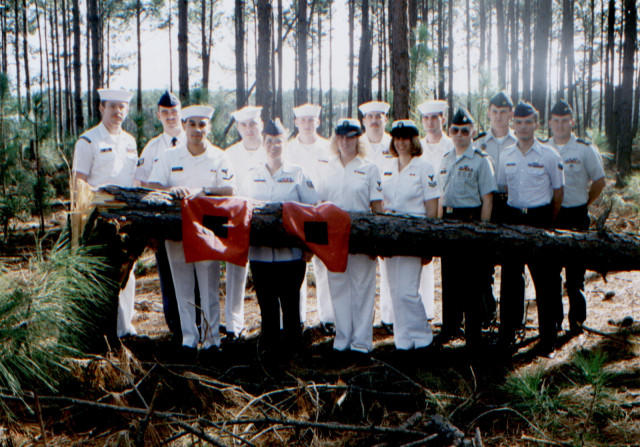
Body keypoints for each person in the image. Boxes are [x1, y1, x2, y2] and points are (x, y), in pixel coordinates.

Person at [148, 105, 235, 356]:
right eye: (192, 124)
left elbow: (230, 189)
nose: (197, 130)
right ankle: (188, 338)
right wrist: (170, 191)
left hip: (209, 228)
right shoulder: (169, 156)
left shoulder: (220, 156)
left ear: (209, 127)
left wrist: (205, 190)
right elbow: (154, 184)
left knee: (208, 286)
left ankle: (211, 341)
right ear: (184, 126)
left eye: (202, 124)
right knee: (182, 285)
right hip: (177, 228)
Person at [496, 102, 564, 356]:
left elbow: (558, 193)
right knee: (511, 281)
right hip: (514, 218)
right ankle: (507, 337)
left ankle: (548, 340)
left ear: (537, 123)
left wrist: (548, 221)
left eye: (529, 122)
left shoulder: (549, 155)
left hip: (540, 219)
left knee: (545, 282)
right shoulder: (506, 154)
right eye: (519, 122)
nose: (523, 127)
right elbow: (503, 189)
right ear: (514, 124)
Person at [247, 118, 319, 360]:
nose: (273, 146)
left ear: (285, 142)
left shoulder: (298, 173)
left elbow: (312, 210)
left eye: (278, 141)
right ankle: (269, 349)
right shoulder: (253, 174)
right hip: (260, 254)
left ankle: (293, 350)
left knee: (290, 302)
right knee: (266, 303)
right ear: (262, 143)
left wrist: (309, 247)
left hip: (291, 253)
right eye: (269, 141)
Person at [71, 88, 138, 338]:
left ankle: (126, 327)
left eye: (122, 107)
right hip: (99, 217)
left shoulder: (130, 142)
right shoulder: (88, 141)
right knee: (103, 273)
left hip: (126, 216)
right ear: (101, 108)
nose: (117, 112)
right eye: (112, 106)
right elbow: (79, 184)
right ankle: (103, 332)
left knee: (128, 272)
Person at [317, 118, 383, 357]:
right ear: (336, 139)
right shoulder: (327, 167)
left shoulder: (369, 167)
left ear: (358, 138)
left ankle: (362, 342)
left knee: (363, 288)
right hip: (334, 238)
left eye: (351, 136)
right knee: (338, 287)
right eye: (341, 137)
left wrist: (376, 240)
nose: (345, 141)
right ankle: (342, 338)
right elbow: (320, 205)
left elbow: (377, 207)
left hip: (362, 236)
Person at [437, 108, 497, 349]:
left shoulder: (481, 161)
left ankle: (473, 336)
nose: (459, 134)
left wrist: (482, 231)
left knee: (472, 282)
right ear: (449, 132)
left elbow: (488, 199)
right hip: (448, 221)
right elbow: (442, 196)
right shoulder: (445, 159)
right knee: (450, 279)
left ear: (472, 131)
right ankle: (450, 328)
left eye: (465, 130)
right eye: (454, 130)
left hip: (471, 222)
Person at [548, 99, 605, 336]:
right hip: (552, 216)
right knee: (551, 274)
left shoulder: (584, 148)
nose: (560, 125)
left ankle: (577, 323)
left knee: (575, 276)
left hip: (577, 215)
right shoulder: (544, 148)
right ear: (550, 123)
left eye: (565, 121)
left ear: (572, 121)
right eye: (556, 121)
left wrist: (585, 202)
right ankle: (553, 322)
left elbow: (600, 181)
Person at [381, 119, 439, 350]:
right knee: (395, 292)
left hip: (414, 236)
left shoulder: (424, 168)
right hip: (390, 235)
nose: (401, 143)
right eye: (397, 138)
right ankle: (403, 342)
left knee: (407, 291)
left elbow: (432, 209)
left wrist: (429, 244)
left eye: (406, 138)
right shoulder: (387, 167)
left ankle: (424, 339)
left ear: (414, 140)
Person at [134, 90, 186, 341]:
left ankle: (197, 324)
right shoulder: (152, 147)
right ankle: (176, 329)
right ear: (158, 115)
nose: (170, 117)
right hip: (163, 226)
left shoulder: (194, 142)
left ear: (181, 112)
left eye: (174, 112)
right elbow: (141, 186)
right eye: (165, 113)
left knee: (197, 277)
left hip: (191, 222)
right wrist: (149, 229)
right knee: (167, 276)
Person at [285, 103, 334, 334]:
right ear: (296, 123)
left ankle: (328, 317)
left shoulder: (328, 148)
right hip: (296, 214)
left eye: (311, 119)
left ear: (318, 122)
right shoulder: (288, 149)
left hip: (321, 213)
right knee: (296, 267)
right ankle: (299, 317)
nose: (306, 124)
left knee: (323, 266)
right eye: (302, 120)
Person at [473, 92, 517, 327]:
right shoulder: (479, 142)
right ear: (489, 113)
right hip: (487, 204)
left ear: (511, 114)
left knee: (513, 267)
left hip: (512, 205)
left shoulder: (520, 140)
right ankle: (486, 314)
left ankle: (512, 321)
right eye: (495, 112)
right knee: (483, 264)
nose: (499, 116)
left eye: (504, 112)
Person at [223, 105, 267, 340]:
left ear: (261, 124)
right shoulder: (229, 154)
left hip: (266, 221)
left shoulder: (271, 148)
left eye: (253, 123)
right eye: (244, 125)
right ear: (238, 128)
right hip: (237, 221)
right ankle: (234, 326)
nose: (249, 129)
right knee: (235, 274)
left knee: (271, 274)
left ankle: (275, 324)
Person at [416, 99, 455, 324]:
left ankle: (451, 319)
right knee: (423, 263)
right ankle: (425, 312)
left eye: (434, 117)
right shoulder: (417, 147)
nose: (430, 122)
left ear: (442, 119)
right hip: (422, 209)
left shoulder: (451, 145)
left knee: (450, 271)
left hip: (448, 210)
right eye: (426, 118)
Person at [358, 100, 395, 334]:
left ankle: (389, 318)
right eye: (370, 116)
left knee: (390, 268)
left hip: (389, 212)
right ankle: (363, 320)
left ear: (385, 119)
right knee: (362, 271)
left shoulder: (395, 143)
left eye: (378, 116)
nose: (374, 120)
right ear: (363, 121)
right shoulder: (355, 143)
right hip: (362, 214)